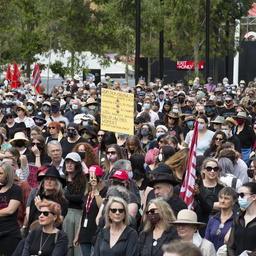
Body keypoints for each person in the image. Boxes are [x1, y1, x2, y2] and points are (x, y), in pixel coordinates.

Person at [74, 165, 107, 256]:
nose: (91, 179)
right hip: (85, 233)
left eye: (93, 176)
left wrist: (96, 191)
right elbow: (83, 215)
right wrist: (77, 235)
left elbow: (102, 207)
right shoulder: (87, 193)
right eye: (89, 177)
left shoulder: (105, 191)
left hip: (96, 232)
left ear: (100, 178)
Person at [27, 166, 69, 231]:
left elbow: (57, 223)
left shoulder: (62, 202)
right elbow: (30, 220)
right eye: (47, 179)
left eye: (52, 179)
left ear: (57, 183)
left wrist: (40, 208)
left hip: (51, 236)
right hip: (34, 235)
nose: (49, 181)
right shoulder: (37, 199)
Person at [63, 152, 86, 256]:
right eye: (67, 162)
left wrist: (63, 197)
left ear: (77, 165)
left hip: (78, 213)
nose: (69, 165)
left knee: (77, 247)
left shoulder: (83, 181)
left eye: (72, 163)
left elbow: (81, 197)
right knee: (66, 246)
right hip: (64, 213)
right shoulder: (62, 180)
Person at [205, 187, 238, 252]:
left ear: (233, 202)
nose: (222, 201)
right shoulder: (213, 219)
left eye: (226, 198)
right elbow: (207, 241)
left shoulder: (238, 219)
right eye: (221, 197)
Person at [0, 161, 22, 256]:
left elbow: (10, 210)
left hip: (10, 233)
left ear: (8, 174)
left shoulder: (15, 189)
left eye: (0, 173)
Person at [227, 182, 256, 255]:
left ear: (254, 197)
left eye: (242, 195)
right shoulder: (238, 219)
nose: (239, 198)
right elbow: (230, 245)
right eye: (238, 195)